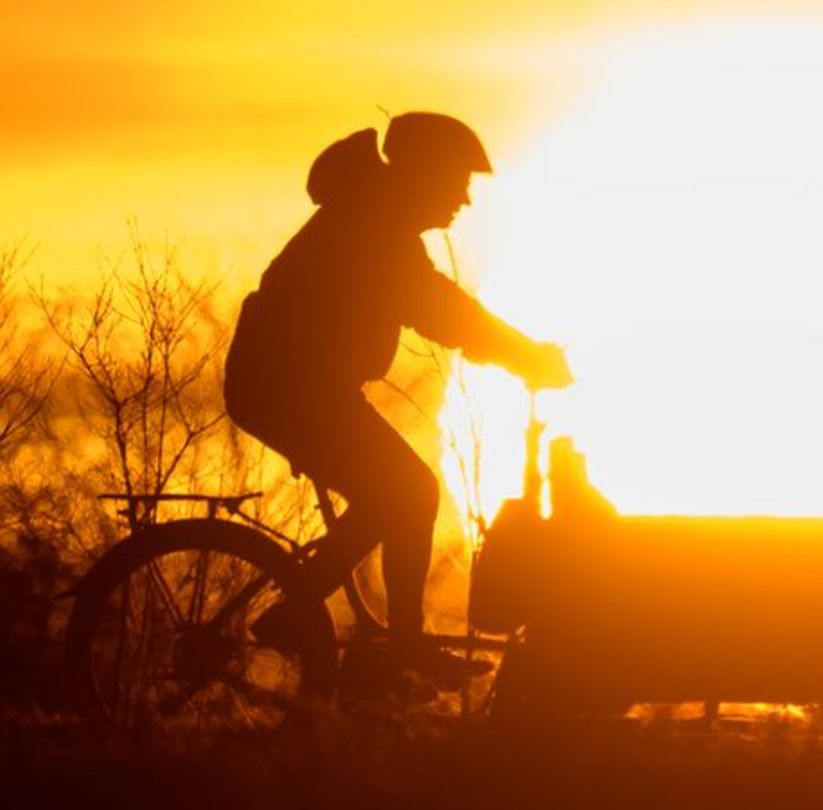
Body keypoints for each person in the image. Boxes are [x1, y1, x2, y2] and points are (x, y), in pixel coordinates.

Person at [225, 111, 572, 681]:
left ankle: (304, 610)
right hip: (286, 389)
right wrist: (526, 356)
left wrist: (520, 354)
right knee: (409, 492)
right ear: (426, 174)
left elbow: (438, 310)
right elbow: (439, 309)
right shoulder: (371, 225)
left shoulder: (377, 219)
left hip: (302, 388)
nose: (464, 199)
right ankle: (392, 644)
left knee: (397, 495)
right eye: (459, 181)